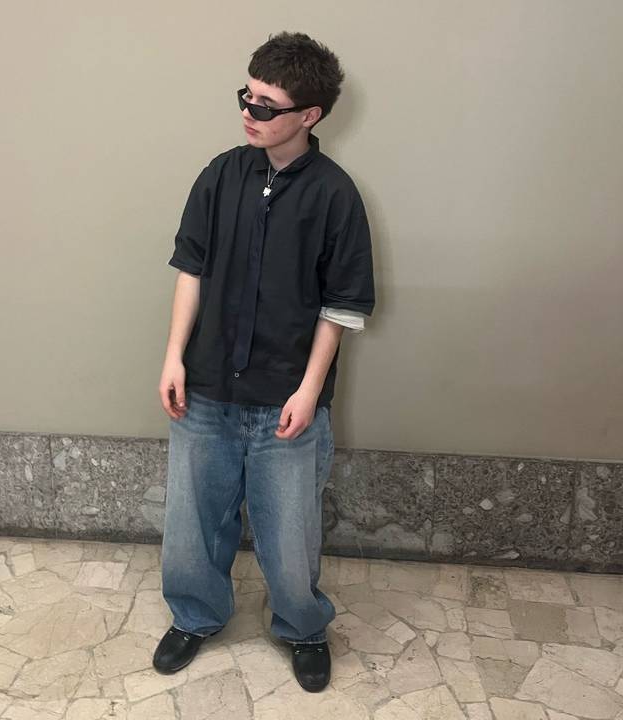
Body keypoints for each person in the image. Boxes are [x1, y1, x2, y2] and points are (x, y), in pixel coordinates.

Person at [153, 31, 375, 693]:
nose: (250, 112)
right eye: (246, 97)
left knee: (290, 535)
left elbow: (342, 307)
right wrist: (173, 358)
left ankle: (303, 628)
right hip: (206, 389)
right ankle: (195, 615)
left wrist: (309, 391)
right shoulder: (221, 175)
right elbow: (191, 269)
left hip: (287, 400)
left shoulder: (335, 195)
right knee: (193, 524)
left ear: (309, 115)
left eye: (267, 105)